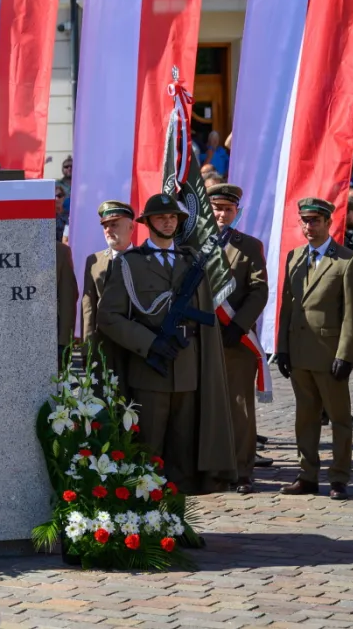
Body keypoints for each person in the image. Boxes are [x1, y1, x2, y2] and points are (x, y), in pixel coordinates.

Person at [96, 194, 233, 492]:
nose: (169, 221)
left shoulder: (192, 261)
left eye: (173, 217)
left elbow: (206, 316)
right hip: (149, 371)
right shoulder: (129, 264)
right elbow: (108, 317)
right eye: (161, 217)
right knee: (148, 451)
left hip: (188, 371)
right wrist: (149, 342)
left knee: (183, 454)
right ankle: (146, 520)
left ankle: (178, 519)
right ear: (146, 223)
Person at [275, 197, 353, 500]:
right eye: (305, 220)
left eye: (315, 220)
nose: (309, 226)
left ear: (328, 222)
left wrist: (345, 353)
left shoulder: (346, 260)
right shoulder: (294, 257)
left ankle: (339, 477)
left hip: (329, 354)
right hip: (300, 352)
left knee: (339, 419)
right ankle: (307, 474)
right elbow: (288, 306)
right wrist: (282, 347)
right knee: (305, 418)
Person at [207, 184, 269, 494]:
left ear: (236, 212)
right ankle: (214, 467)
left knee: (239, 407)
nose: (221, 214)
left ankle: (243, 469)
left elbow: (259, 290)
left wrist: (240, 324)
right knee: (208, 406)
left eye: (227, 209)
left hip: (236, 338)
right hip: (202, 338)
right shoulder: (192, 244)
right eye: (216, 208)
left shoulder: (249, 245)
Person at [80, 200, 135, 384]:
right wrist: (88, 347)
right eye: (105, 226)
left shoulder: (145, 259)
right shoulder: (94, 261)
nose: (109, 230)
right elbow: (88, 307)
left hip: (133, 347)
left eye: (115, 224)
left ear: (130, 227)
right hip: (103, 347)